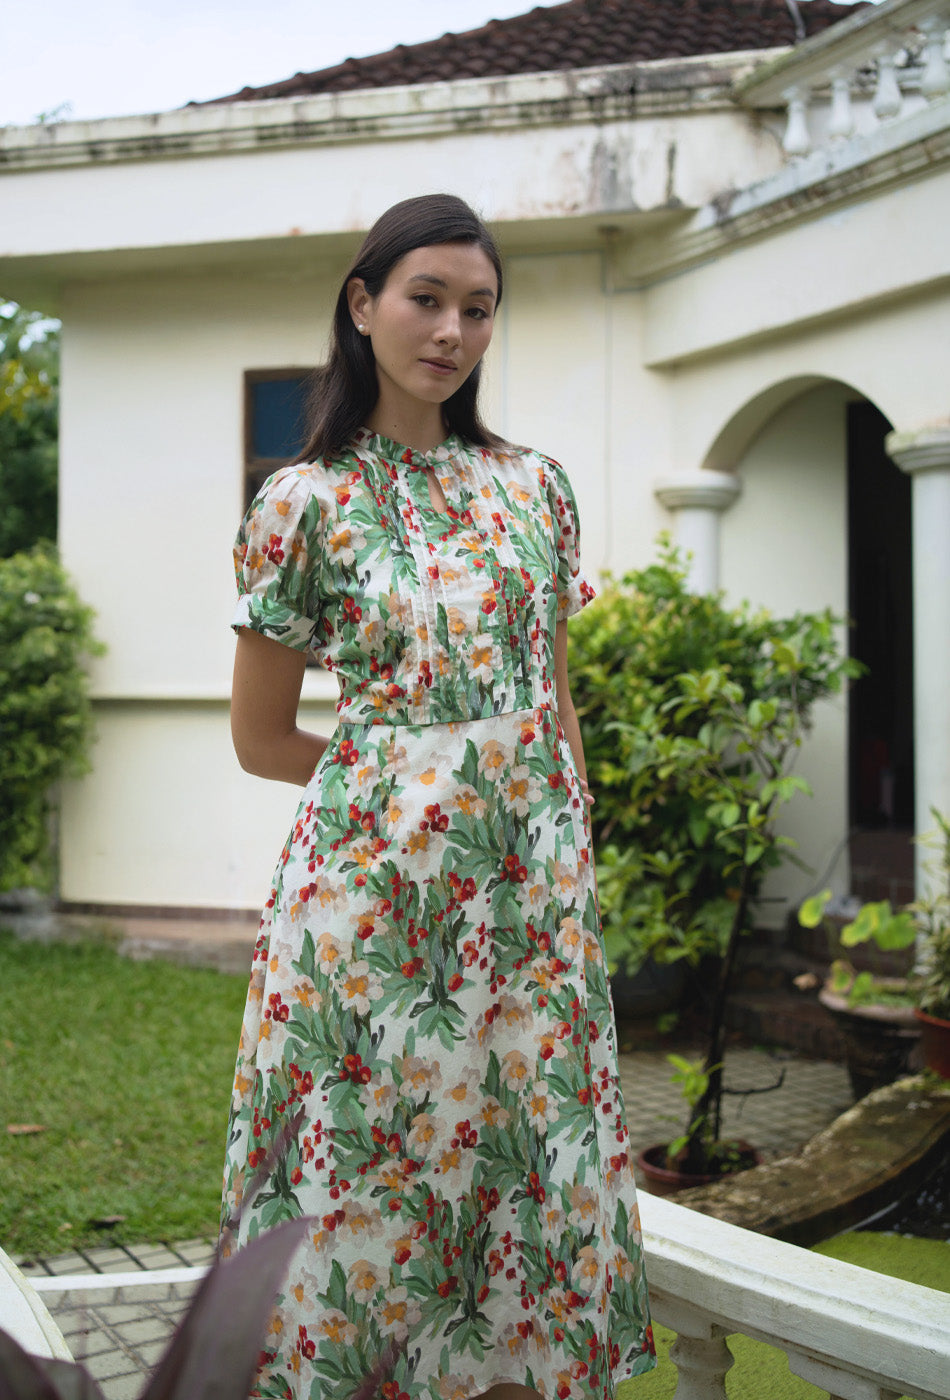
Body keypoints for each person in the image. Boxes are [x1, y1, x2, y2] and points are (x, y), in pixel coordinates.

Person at [222, 193, 655, 1400]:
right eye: (425, 297)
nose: (450, 330)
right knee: (378, 1179)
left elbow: (551, 701)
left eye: (477, 307)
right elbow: (262, 739)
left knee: (527, 1168)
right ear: (361, 306)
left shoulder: (534, 489)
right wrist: (411, 784)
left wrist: (557, 839)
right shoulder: (300, 505)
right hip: (371, 915)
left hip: (530, 907)